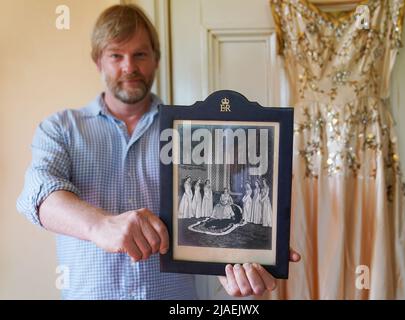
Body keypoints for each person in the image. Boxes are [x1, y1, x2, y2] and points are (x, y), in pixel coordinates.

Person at [16, 4, 299, 299]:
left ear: (156, 59)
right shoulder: (61, 128)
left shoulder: (194, 131)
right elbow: (37, 193)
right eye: (116, 55)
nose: (129, 67)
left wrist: (251, 256)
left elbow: (223, 217)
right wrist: (100, 225)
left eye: (140, 54)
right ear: (98, 61)